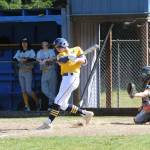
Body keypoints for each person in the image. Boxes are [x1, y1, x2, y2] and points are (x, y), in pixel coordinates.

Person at [37, 38, 94, 129]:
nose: (58, 49)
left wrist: (77, 60)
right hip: (65, 79)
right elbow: (60, 61)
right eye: (57, 47)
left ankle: (48, 122)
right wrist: (68, 57)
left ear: (64, 45)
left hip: (73, 78)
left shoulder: (77, 49)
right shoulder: (60, 54)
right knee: (63, 105)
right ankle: (86, 114)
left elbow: (85, 61)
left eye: (59, 46)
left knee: (57, 101)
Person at [13, 38, 39, 111]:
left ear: (28, 43)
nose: (24, 43)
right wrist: (20, 59)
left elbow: (34, 59)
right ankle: (27, 106)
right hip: (21, 71)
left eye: (26, 42)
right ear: (21, 43)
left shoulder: (31, 51)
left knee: (28, 90)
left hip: (28, 71)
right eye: (23, 42)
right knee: (23, 90)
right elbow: (14, 59)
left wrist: (26, 59)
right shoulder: (19, 51)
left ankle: (37, 101)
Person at [36, 41, 58, 108]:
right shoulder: (39, 52)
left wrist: (46, 60)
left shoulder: (51, 51)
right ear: (42, 45)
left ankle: (51, 105)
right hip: (44, 71)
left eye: (46, 45)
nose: (45, 46)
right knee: (44, 89)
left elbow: (54, 58)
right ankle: (57, 100)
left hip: (51, 71)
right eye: (43, 45)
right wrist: (41, 61)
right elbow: (37, 59)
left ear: (48, 45)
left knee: (52, 89)